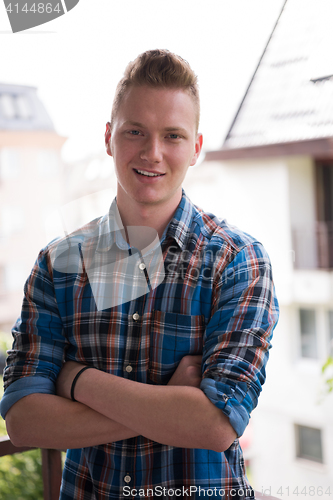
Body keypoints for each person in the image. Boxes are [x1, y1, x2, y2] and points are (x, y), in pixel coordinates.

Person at [1, 49, 279, 499]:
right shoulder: (58, 264)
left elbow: (215, 425)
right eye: (136, 132)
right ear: (109, 137)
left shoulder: (238, 262)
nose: (153, 153)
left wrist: (76, 381)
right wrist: (168, 403)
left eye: (172, 135)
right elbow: (24, 420)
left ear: (196, 148)